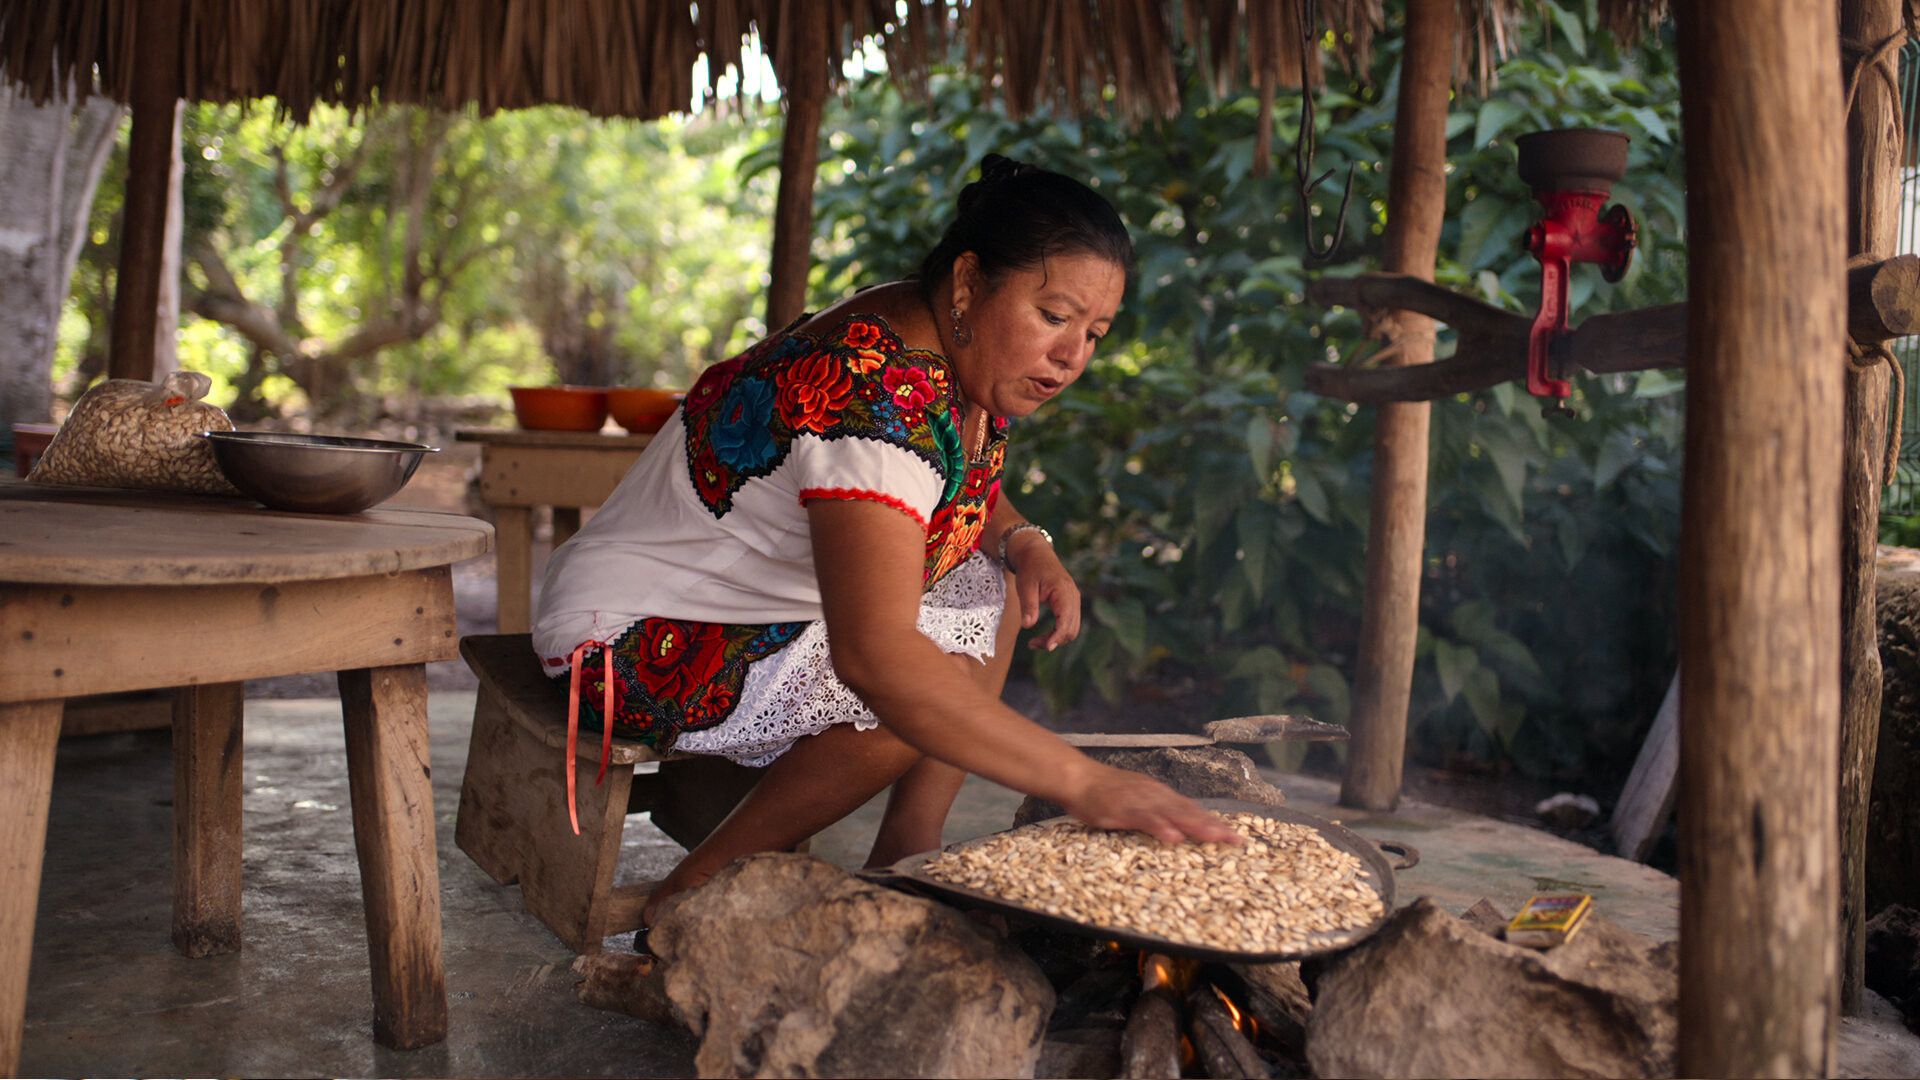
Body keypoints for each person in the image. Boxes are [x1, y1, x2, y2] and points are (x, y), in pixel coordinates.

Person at [531, 154, 1240, 944]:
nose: (1073, 354)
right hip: (632, 635)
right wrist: (1086, 782)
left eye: (1095, 332)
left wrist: (1021, 538)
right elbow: (874, 653)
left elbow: (942, 481)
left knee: (993, 590)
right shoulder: (873, 395)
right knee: (907, 695)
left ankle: (909, 854)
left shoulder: (941, 338)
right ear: (969, 284)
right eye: (1054, 315)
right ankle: (691, 891)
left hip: (736, 601)